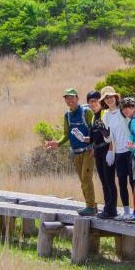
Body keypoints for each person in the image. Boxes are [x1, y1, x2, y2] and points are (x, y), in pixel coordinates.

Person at [45, 88, 97, 216]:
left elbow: (96, 130)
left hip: (88, 151)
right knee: (82, 180)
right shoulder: (67, 115)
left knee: (86, 178)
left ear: (77, 98)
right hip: (76, 152)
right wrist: (57, 143)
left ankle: (90, 207)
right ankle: (90, 206)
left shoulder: (87, 112)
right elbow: (66, 134)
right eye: (67, 98)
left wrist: (94, 146)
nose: (69, 100)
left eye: (72, 97)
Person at [100, 86, 134, 220]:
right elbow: (108, 138)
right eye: (106, 98)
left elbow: (133, 125)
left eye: (111, 96)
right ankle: (126, 212)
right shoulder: (106, 116)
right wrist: (106, 137)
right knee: (121, 183)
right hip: (118, 153)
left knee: (133, 182)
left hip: (130, 151)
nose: (109, 99)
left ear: (115, 97)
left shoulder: (123, 110)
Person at [86, 90, 118, 219]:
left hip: (107, 149)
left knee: (109, 180)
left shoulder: (105, 113)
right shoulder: (94, 117)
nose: (93, 104)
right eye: (90, 102)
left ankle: (112, 209)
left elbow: (111, 134)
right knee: (104, 181)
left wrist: (111, 150)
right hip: (98, 151)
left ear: (100, 101)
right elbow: (93, 137)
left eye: (95, 101)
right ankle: (107, 208)